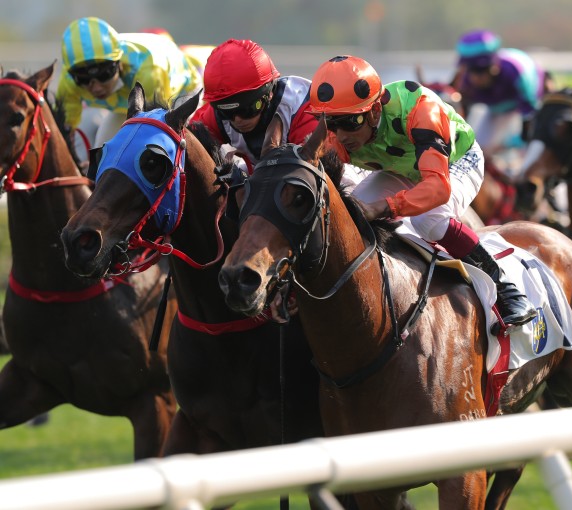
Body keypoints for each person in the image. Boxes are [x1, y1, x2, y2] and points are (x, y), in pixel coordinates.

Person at [308, 55, 537, 334]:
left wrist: (385, 207)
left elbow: (437, 188)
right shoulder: (335, 130)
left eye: (350, 123)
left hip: (455, 161)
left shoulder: (420, 111)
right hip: (401, 167)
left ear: (375, 112)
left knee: (429, 220)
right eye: (331, 124)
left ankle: (506, 290)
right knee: (351, 212)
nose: (340, 135)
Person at [57, 17, 205, 154]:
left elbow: (157, 125)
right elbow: (64, 131)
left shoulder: (149, 71)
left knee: (169, 145)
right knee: (101, 151)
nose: (96, 87)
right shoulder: (68, 82)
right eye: (83, 79)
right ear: (72, 74)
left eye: (104, 75)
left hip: (179, 90)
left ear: (118, 64)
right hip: (130, 98)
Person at [189, 39, 319, 170]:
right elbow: (188, 147)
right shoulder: (217, 114)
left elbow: (311, 171)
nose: (238, 120)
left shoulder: (304, 109)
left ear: (269, 93)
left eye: (247, 109)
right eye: (227, 113)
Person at [453, 30, 551, 166]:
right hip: (496, 109)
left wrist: (505, 145)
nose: (475, 77)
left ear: (494, 64)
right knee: (476, 151)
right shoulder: (466, 81)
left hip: (529, 104)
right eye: (471, 70)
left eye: (481, 70)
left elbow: (530, 122)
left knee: (525, 156)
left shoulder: (515, 73)